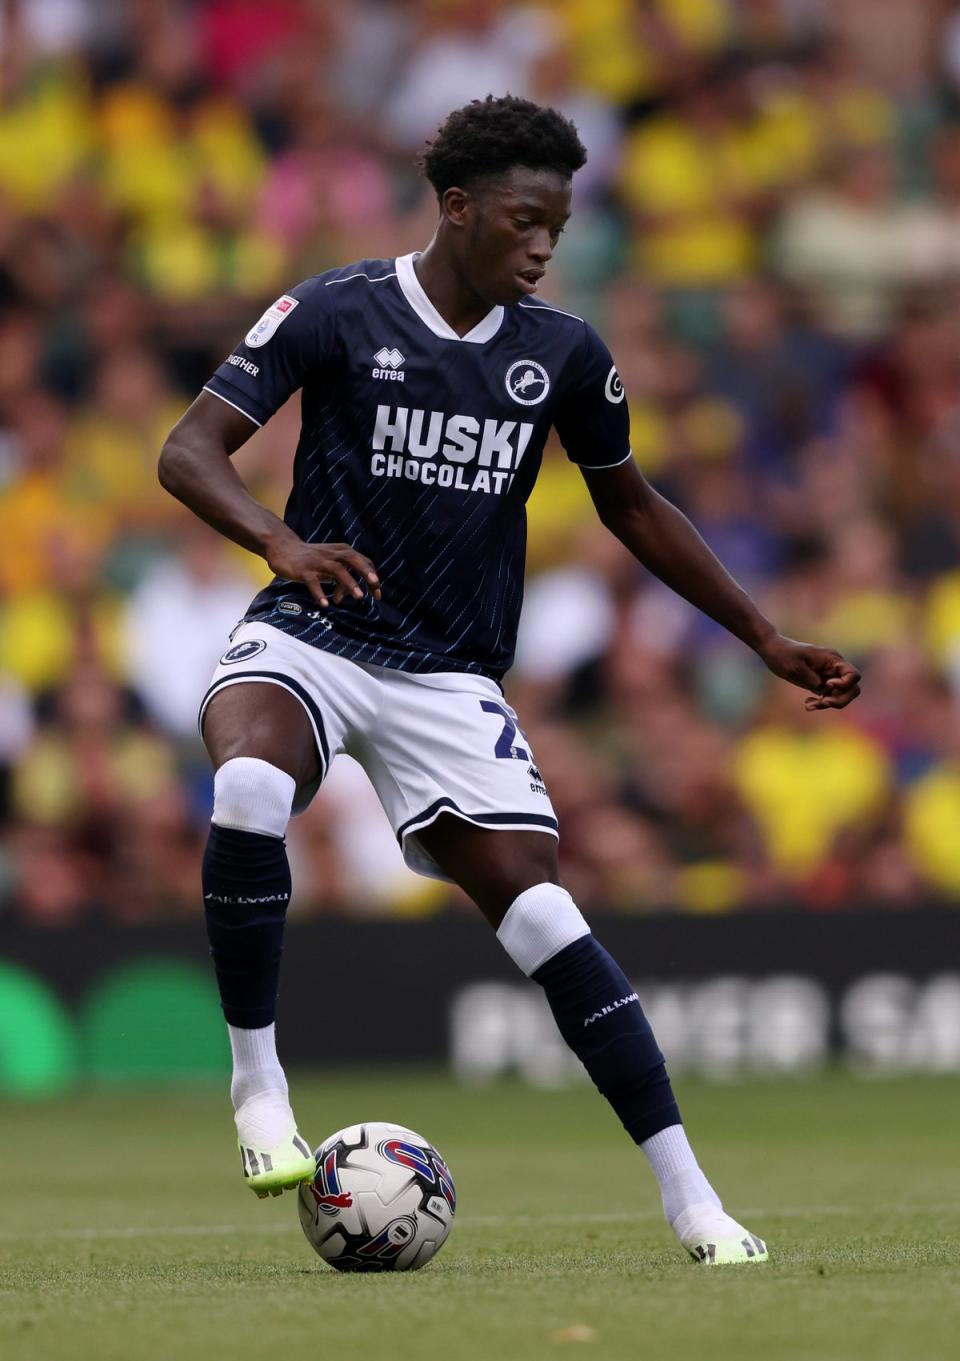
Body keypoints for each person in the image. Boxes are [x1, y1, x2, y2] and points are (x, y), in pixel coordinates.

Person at [158, 96, 860, 1265]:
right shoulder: (336, 307)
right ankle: (258, 1087)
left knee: (543, 916)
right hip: (312, 629)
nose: (544, 246)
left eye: (559, 226)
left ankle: (694, 1200)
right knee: (246, 790)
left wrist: (762, 634)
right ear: (458, 206)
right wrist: (278, 543)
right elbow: (187, 449)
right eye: (526, 222)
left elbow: (630, 503)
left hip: (448, 672)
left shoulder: (565, 353)